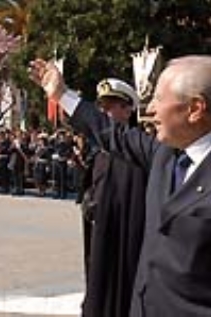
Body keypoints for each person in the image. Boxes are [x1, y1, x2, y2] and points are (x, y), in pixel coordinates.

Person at [29, 55, 211, 317]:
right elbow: (111, 133)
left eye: (159, 99)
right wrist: (61, 94)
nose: (150, 109)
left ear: (195, 109)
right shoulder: (166, 154)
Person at [76, 77, 151, 317]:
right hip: (100, 235)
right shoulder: (101, 151)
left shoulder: (137, 152)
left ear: (128, 109)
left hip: (124, 242)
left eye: (111, 106)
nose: (104, 112)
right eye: (102, 107)